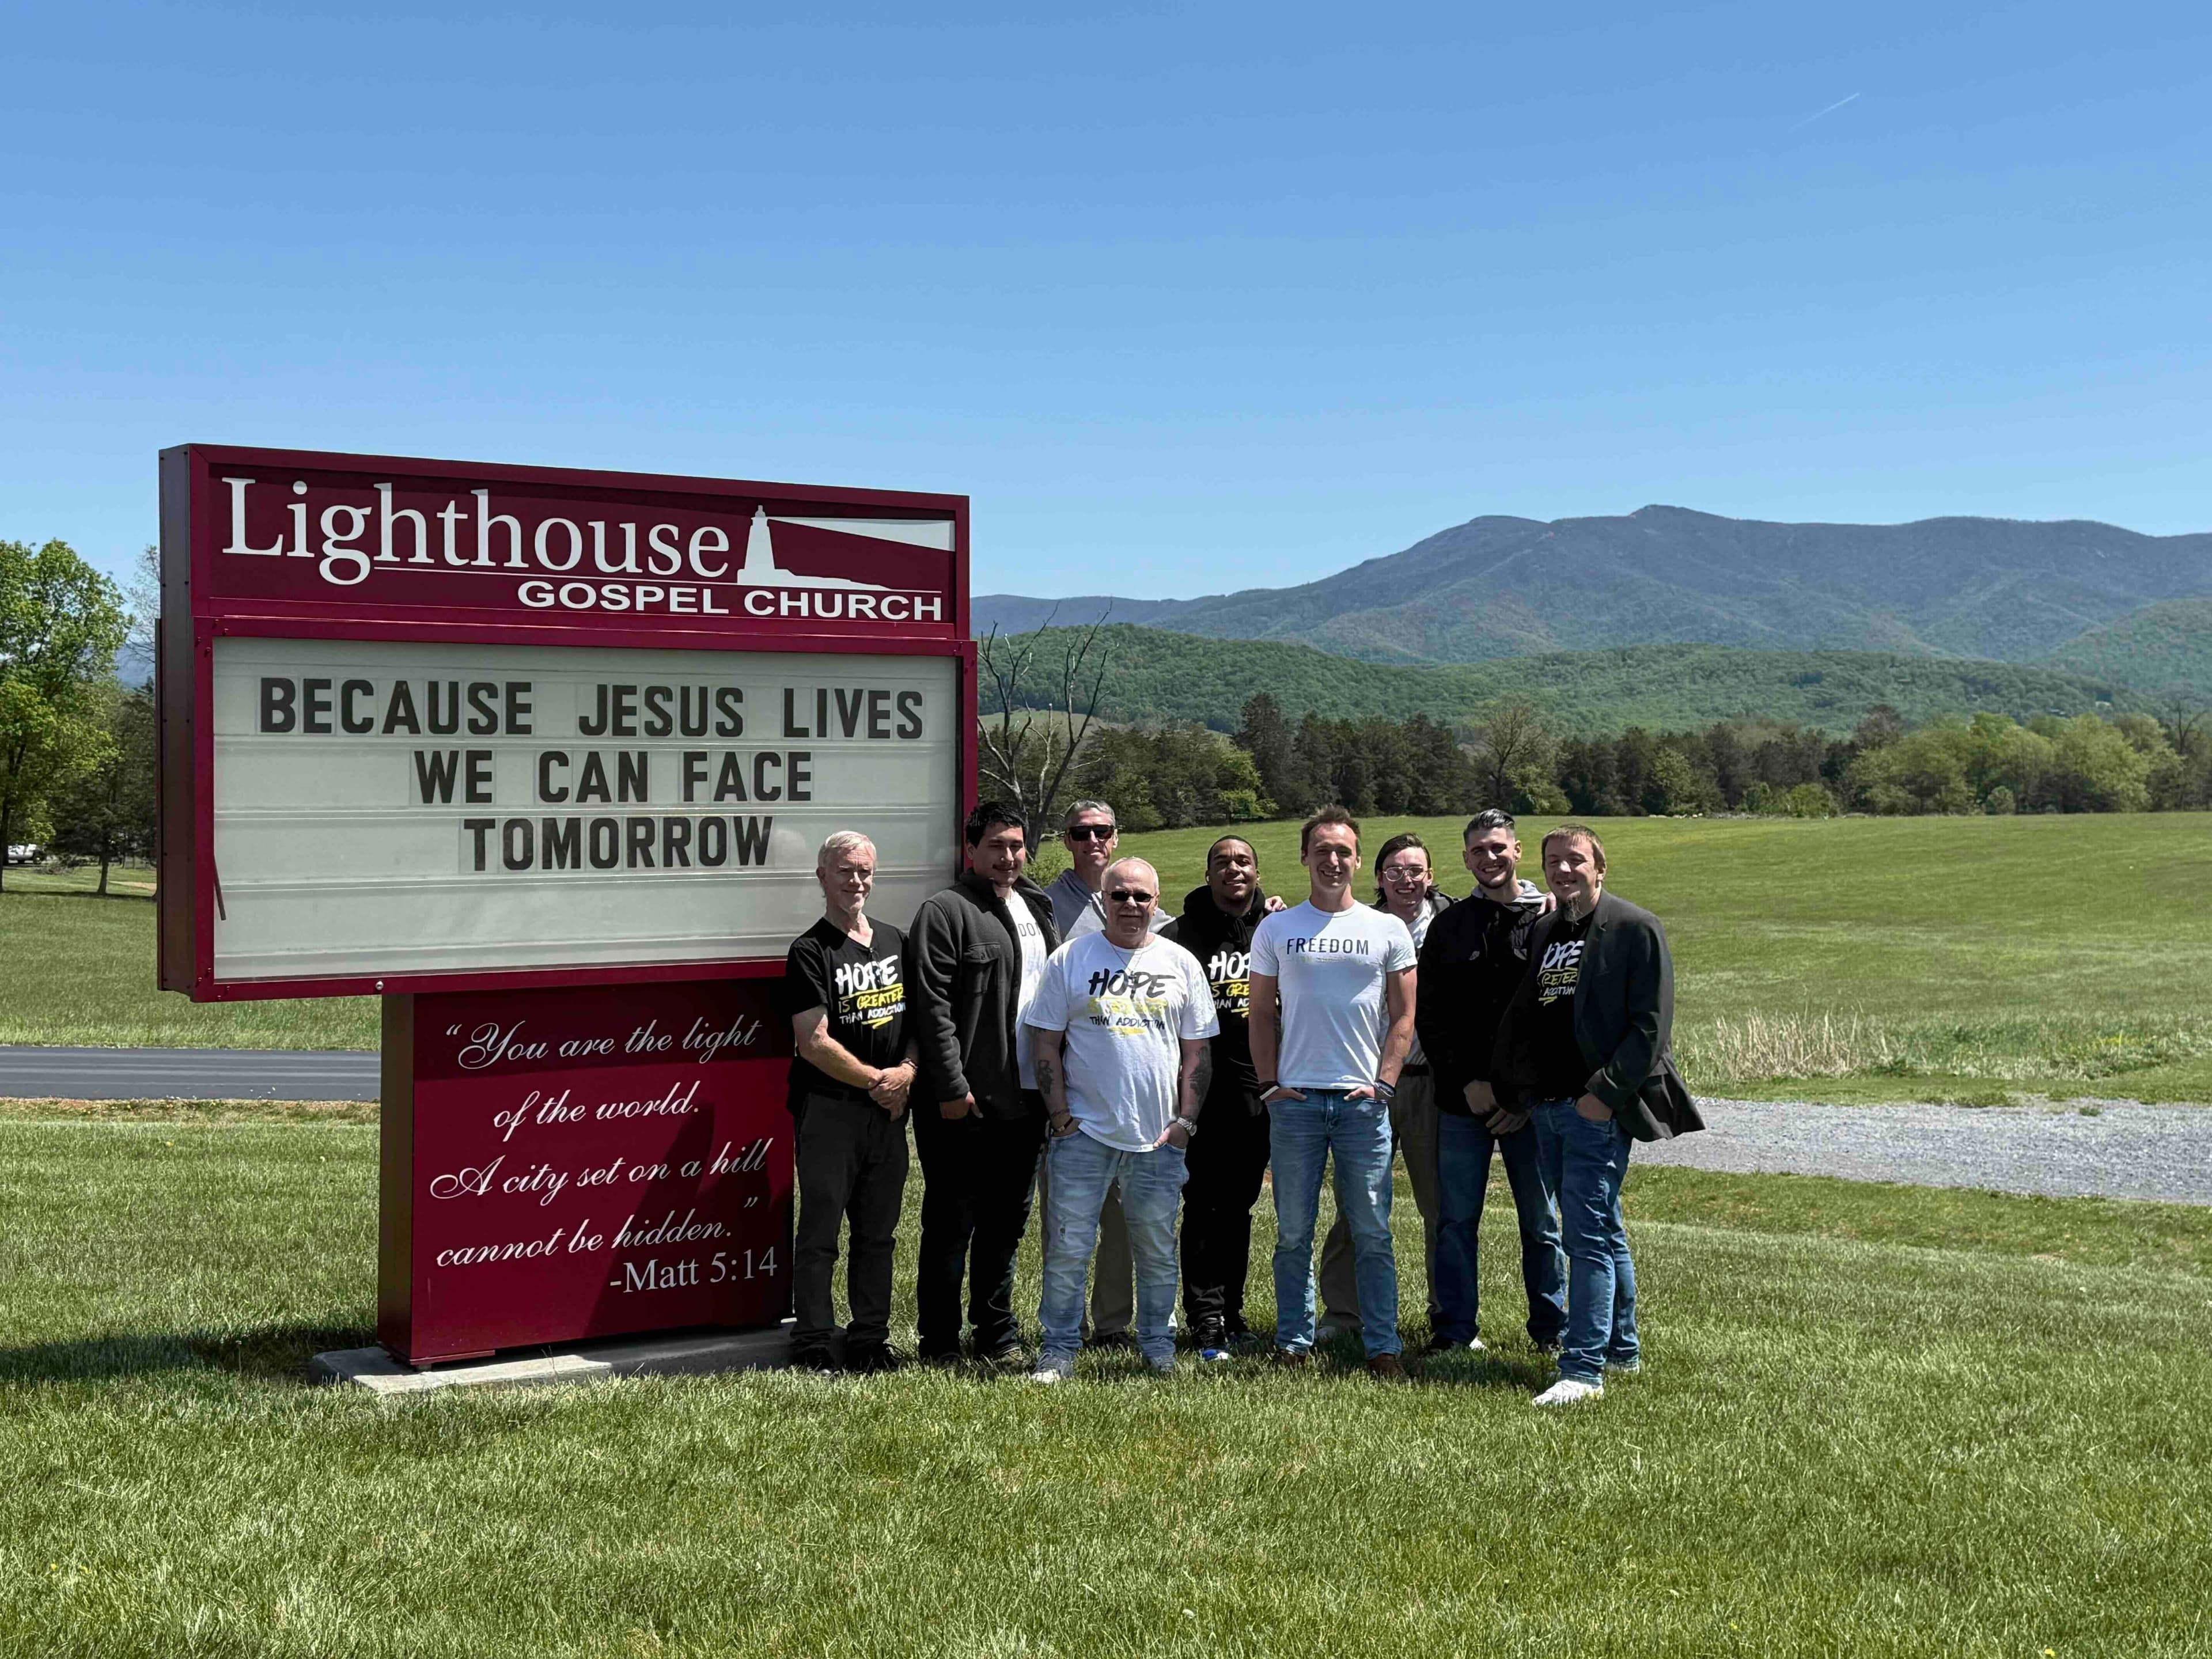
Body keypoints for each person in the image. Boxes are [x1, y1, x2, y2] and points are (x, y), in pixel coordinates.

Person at [1492, 823, 1703, 1407]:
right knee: (1601, 1230)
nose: (1564, 870)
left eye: (1575, 860)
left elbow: (1650, 1028)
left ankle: (1582, 1370)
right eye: (1553, 861)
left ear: (1599, 867)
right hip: (1550, 1108)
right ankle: (1622, 1350)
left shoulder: (1636, 928)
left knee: (1583, 1236)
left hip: (1597, 1110)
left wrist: (1604, 1094)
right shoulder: (1546, 930)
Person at [1025, 857, 1217, 1381]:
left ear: (1156, 902)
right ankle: (1059, 1349)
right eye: (1120, 895)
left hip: (1158, 1140)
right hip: (1083, 1134)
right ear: (1103, 900)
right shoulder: (1071, 959)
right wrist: (1061, 1115)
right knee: (1068, 1248)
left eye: (1141, 897)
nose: (1130, 905)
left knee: (1156, 1249)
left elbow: (1197, 1053)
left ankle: (1158, 1345)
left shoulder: (1181, 963)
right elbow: (1046, 1041)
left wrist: (1185, 1124)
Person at [1248, 806, 1418, 1378]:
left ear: (1357, 859)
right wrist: (1270, 1084)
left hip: (1360, 1106)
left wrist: (1384, 1084)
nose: (1333, 860)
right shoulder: (1276, 929)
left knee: (1371, 1230)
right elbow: (1260, 1014)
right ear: (1304, 857)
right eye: (1322, 849)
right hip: (1295, 1104)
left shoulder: (1386, 930)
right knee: (1293, 1231)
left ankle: (1383, 1344)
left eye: (1343, 851)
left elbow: (1404, 1017)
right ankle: (1294, 1341)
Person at [904, 801, 1060, 1365]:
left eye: (1017, 846)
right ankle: (940, 1343)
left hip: (1026, 1098)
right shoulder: (945, 911)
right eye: (996, 846)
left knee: (1005, 1226)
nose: (1009, 856)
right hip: (964, 1103)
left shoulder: (1037, 906)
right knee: (951, 1225)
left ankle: (997, 1336)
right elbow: (932, 1006)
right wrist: (949, 1087)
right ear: (972, 849)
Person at [1414, 809, 1566, 1355]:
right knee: (1456, 1221)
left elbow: (1554, 1017)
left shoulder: (1550, 923)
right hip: (1464, 1104)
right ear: (1465, 859)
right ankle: (1455, 1332)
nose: (1490, 858)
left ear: (1518, 851)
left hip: (1531, 1106)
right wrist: (1468, 1084)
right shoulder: (1449, 927)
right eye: (1479, 850)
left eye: (1499, 848)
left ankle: (1552, 1331)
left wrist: (1525, 1095)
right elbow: (1430, 1016)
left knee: (1542, 1222)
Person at [782, 831, 918, 1372]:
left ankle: (869, 1337)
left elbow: (921, 1022)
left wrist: (906, 1073)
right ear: (822, 877)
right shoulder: (809, 950)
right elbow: (812, 1042)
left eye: (864, 871)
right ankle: (814, 1339)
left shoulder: (895, 941)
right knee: (820, 1232)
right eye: (844, 871)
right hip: (830, 1109)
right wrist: (877, 1082)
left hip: (887, 1112)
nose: (856, 881)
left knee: (878, 1233)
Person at [1316, 832, 1449, 1346]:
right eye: (1394, 871)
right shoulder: (1360, 926)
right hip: (1364, 1085)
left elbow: (1510, 901)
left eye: (1416, 870)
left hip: (1425, 1084)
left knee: (1439, 1206)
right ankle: (1342, 1312)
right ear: (1378, 878)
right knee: (1358, 1202)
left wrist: (1533, 893)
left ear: (1431, 876)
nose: (1406, 880)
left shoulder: (1449, 926)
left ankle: (1448, 1315)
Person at [1036, 799, 1159, 1347]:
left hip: (1131, 1098)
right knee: (1067, 1222)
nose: (1092, 840)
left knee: (1122, 1224)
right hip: (1070, 1089)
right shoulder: (1044, 905)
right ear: (1066, 840)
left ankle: (1113, 1324)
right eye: (1080, 832)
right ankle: (1065, 1328)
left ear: (1116, 835)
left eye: (1102, 831)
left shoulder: (1140, 898)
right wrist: (1056, 1105)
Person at [1160, 835, 1274, 1360]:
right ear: (1207, 874)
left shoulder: (1275, 931)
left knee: (1241, 1208)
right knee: (1204, 1207)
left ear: (1256, 871)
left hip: (1259, 1094)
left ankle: (1233, 1313)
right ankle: (1205, 1319)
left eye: (1243, 861)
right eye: (1222, 862)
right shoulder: (1179, 938)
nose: (1234, 869)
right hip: (1201, 1095)